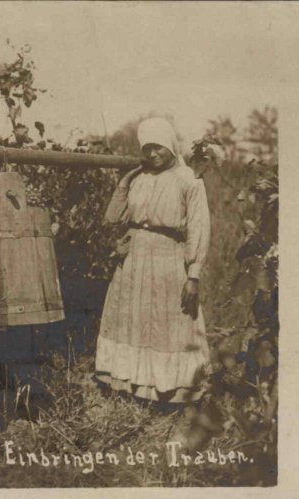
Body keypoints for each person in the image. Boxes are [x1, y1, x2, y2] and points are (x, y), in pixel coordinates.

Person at [95, 117, 211, 406]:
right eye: (147, 148)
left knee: (167, 322)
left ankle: (171, 391)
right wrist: (125, 181)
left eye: (158, 147)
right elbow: (111, 218)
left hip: (168, 258)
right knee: (132, 321)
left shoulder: (189, 181)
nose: (153, 154)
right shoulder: (139, 179)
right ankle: (134, 387)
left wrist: (193, 274)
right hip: (133, 260)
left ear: (171, 145)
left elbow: (198, 227)